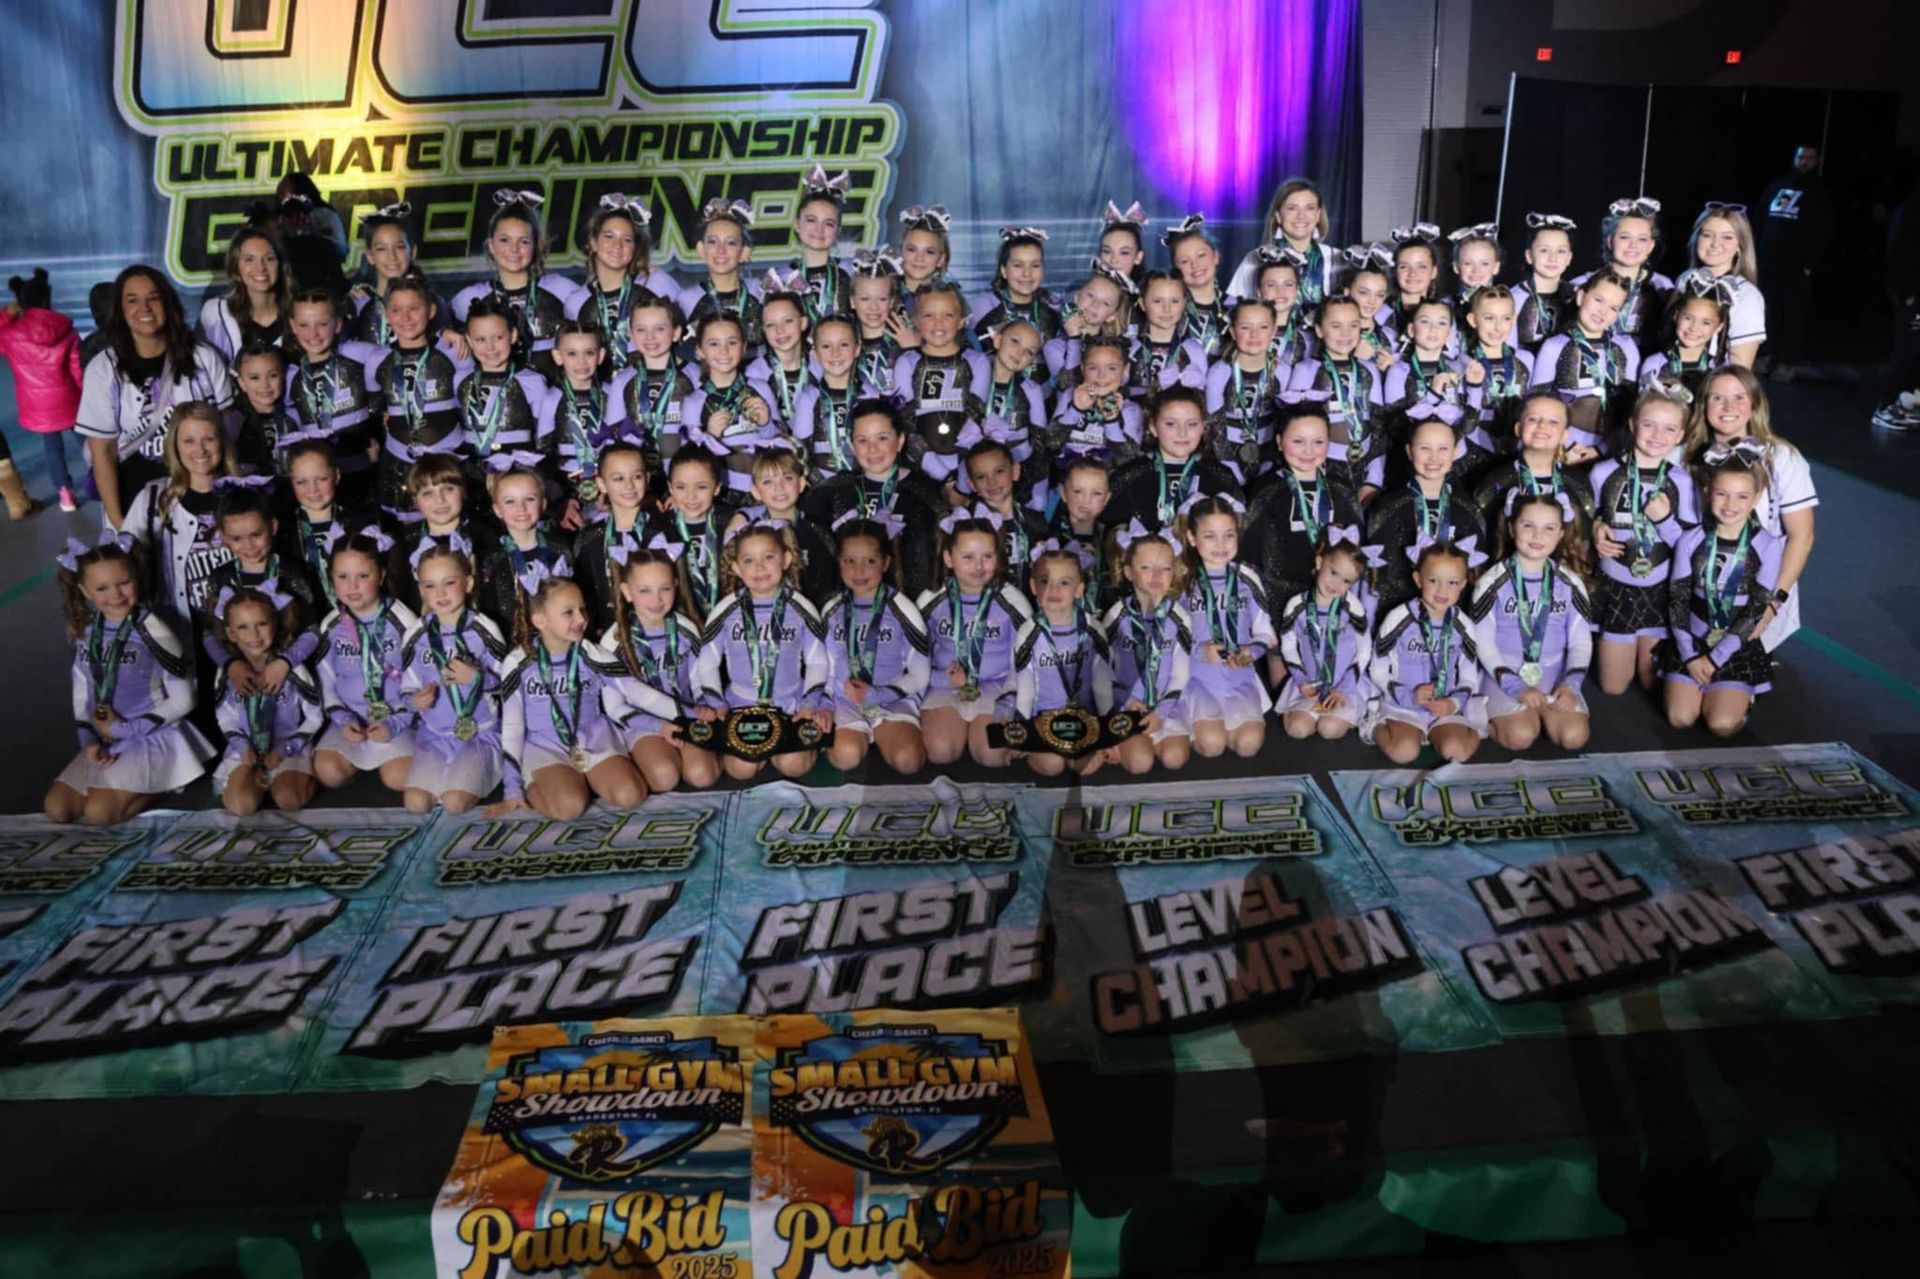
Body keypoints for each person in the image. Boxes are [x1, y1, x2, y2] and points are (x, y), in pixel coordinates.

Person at [46, 532, 213, 824]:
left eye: (124, 582)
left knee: (99, 813)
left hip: (151, 735)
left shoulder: (154, 629)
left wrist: (127, 729)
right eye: (102, 588)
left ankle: (167, 779)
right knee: (57, 809)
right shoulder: (87, 630)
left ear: (136, 578)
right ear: (85, 591)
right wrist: (88, 741)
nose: (116, 595)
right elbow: (82, 691)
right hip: (107, 737)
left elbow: (185, 699)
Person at [77, 265, 233, 529]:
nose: (144, 308)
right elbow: (102, 451)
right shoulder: (102, 370)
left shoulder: (203, 357)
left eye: (153, 298)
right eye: (133, 300)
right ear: (120, 310)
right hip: (134, 497)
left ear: (168, 303)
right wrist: (119, 522)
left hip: (202, 494)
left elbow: (226, 429)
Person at [492, 570, 649, 817]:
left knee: (630, 795)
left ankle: (588, 777)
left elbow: (636, 692)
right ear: (540, 620)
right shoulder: (518, 661)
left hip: (592, 736)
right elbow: (512, 726)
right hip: (546, 744)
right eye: (569, 612)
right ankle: (548, 781)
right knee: (568, 808)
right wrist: (512, 787)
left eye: (582, 609)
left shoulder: (589, 653)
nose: (581, 618)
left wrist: (679, 717)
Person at [690, 522, 833, 780]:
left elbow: (817, 662)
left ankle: (797, 748)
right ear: (736, 568)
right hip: (741, 703)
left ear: (786, 559)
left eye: (768, 557)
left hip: (789, 703)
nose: (760, 567)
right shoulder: (726, 609)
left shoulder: (801, 607)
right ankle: (759, 751)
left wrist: (809, 704)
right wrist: (716, 703)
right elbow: (708, 661)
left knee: (794, 766)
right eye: (749, 560)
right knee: (741, 770)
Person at [1662, 451, 1783, 737]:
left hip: (1735, 644)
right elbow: (1678, 600)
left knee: (1721, 725)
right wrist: (1690, 655)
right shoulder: (1691, 540)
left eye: (1742, 496)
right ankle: (1702, 688)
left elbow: (1756, 609)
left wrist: (1716, 658)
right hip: (1693, 641)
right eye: (1721, 494)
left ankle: (1741, 699)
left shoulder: (1768, 545)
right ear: (1707, 492)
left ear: (1756, 498)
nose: (1730, 505)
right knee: (1680, 718)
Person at [1470, 492, 1595, 753]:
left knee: (1574, 737)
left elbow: (1581, 643)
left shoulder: (1570, 582)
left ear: (1561, 534)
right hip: (1505, 674)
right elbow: (1483, 642)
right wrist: (1514, 686)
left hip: (1554, 674)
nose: (1538, 536)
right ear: (1512, 528)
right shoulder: (1491, 582)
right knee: (1520, 736)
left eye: (1549, 528)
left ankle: (1541, 715)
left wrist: (1570, 685)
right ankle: (1486, 719)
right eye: (1528, 526)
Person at [397, 535, 509, 815]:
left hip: (480, 733)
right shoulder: (416, 634)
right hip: (435, 737)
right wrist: (414, 701)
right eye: (430, 585)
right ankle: (453, 774)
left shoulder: (485, 629)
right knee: (415, 803)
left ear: (468, 583)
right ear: (420, 589)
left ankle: (486, 768)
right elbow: (406, 689)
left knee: (454, 803)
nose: (440, 593)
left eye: (449, 582)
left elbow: (508, 686)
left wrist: (478, 678)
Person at [917, 508, 1031, 767]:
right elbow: (913, 657)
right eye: (967, 557)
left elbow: (1025, 663)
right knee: (940, 751)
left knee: (992, 756)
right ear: (948, 558)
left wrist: (1011, 700)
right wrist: (942, 679)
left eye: (987, 557)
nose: (978, 567)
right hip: (945, 686)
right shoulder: (931, 599)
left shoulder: (1013, 602)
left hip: (998, 687)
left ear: (998, 557)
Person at [605, 541, 721, 792]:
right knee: (664, 777)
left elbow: (699, 676)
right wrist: (659, 726)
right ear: (626, 591)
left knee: (702, 776)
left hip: (688, 714)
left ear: (676, 586)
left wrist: (703, 706)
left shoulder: (686, 629)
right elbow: (614, 707)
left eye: (665, 588)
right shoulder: (613, 641)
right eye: (644, 590)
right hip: (643, 722)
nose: (656, 599)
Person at [821, 513, 929, 774]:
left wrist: (878, 695)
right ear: (839, 562)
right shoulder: (831, 609)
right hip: (845, 701)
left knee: (908, 761)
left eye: (870, 561)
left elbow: (920, 675)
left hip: (890, 699)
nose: (859, 571)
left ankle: (886, 734)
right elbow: (825, 667)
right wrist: (825, 705)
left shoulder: (903, 609)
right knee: (846, 757)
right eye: (849, 561)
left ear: (886, 562)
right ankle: (857, 735)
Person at [1364, 538, 1487, 765]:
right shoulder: (1398, 618)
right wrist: (1409, 696)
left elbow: (1469, 677)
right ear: (1418, 578)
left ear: (1463, 584)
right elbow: (1378, 670)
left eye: (1452, 582)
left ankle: (1444, 731)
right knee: (1404, 752)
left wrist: (1453, 704)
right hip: (1403, 704)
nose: (1442, 590)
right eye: (1433, 580)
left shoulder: (1464, 625)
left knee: (1457, 751)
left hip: (1445, 706)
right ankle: (1376, 725)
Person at [312, 527, 416, 793]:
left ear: (381, 575)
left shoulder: (404, 620)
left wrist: (398, 721)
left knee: (399, 779)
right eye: (342, 577)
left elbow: (421, 680)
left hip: (397, 718)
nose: (352, 586)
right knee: (328, 772)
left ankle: (392, 759)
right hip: (352, 721)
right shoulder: (331, 625)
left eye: (363, 576)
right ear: (331, 578)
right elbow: (327, 685)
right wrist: (344, 720)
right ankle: (356, 762)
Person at [209, 583, 322, 817]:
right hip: (248, 749)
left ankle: (293, 779)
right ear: (231, 633)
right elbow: (225, 718)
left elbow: (315, 716)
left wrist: (286, 747)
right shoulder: (228, 672)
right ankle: (260, 782)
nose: (254, 635)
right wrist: (243, 747)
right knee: (241, 805)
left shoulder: (292, 668)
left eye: (262, 624)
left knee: (289, 800)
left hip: (288, 745)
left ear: (275, 624)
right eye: (243, 627)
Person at [1179, 494, 1274, 759]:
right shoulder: (1182, 579)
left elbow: (1266, 633)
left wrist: (1251, 652)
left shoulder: (1247, 576)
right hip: (1197, 677)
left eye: (1228, 535)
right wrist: (1200, 651)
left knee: (1248, 746)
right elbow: (1168, 636)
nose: (1220, 545)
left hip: (1238, 677)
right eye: (1210, 536)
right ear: (1192, 538)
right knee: (1212, 746)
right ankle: (1187, 724)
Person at [1010, 540, 1113, 777]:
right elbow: (1025, 688)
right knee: (1052, 765)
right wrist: (1022, 732)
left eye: (1065, 583)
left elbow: (1101, 683)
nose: (1054, 590)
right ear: (1033, 586)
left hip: (1084, 718)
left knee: (1086, 766)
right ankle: (1042, 751)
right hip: (1043, 718)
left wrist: (1108, 731)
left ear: (1079, 589)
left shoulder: (1093, 628)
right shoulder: (1028, 632)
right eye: (1045, 582)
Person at [1102, 520, 1193, 773]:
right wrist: (1127, 701)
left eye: (1165, 568)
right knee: (1140, 764)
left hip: (1166, 704)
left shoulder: (1180, 618)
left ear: (1174, 573)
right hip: (1126, 703)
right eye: (1146, 567)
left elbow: (1180, 675)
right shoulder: (1116, 616)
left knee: (1175, 758)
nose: (1156, 576)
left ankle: (1157, 737)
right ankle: (1124, 741)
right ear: (1129, 572)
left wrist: (1161, 711)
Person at [1275, 530, 1372, 740]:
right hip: (1309, 684)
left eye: (1346, 581)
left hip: (1344, 686)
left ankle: (1347, 715)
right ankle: (1300, 713)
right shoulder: (1296, 605)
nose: (1336, 584)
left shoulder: (1353, 606)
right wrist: (1301, 679)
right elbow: (1288, 646)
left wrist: (1344, 688)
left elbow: (1364, 650)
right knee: (1297, 729)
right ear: (1320, 562)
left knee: (1329, 729)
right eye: (1333, 572)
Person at [0, 267, 81, 512]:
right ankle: (102, 480)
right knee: (87, 441)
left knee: (52, 449)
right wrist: (84, 394)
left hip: (38, 404)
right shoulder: (66, 329)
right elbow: (76, 368)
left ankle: (65, 494)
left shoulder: (11, 334)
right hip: (70, 398)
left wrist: (6, 315)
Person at [1756, 146, 1831, 379]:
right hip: (1768, 264)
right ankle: (1763, 357)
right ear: (1794, 159)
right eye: (1801, 157)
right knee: (1766, 313)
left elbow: (1823, 231)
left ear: (1817, 161)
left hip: (1797, 268)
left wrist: (1809, 265)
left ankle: (1785, 363)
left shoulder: (1819, 193)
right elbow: (1759, 220)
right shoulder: (1776, 187)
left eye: (1809, 158)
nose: (1804, 162)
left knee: (1792, 317)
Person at [1673, 203, 1766, 369]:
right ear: (1697, 238)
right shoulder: (1685, 279)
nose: (1715, 244)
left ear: (1740, 245)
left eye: (1727, 237)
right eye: (1707, 235)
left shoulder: (1747, 295)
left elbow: (1740, 368)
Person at [195, 227, 292, 365]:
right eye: (249, 259)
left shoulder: (300, 314)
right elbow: (200, 369)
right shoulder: (215, 313)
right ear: (235, 266)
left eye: (269, 259)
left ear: (280, 265)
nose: (261, 267)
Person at [1871, 175, 1920, 430]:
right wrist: (1907, 291)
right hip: (1912, 296)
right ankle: (1886, 406)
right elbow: (1898, 251)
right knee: (1907, 350)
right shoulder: (1910, 210)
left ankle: (1909, 403)